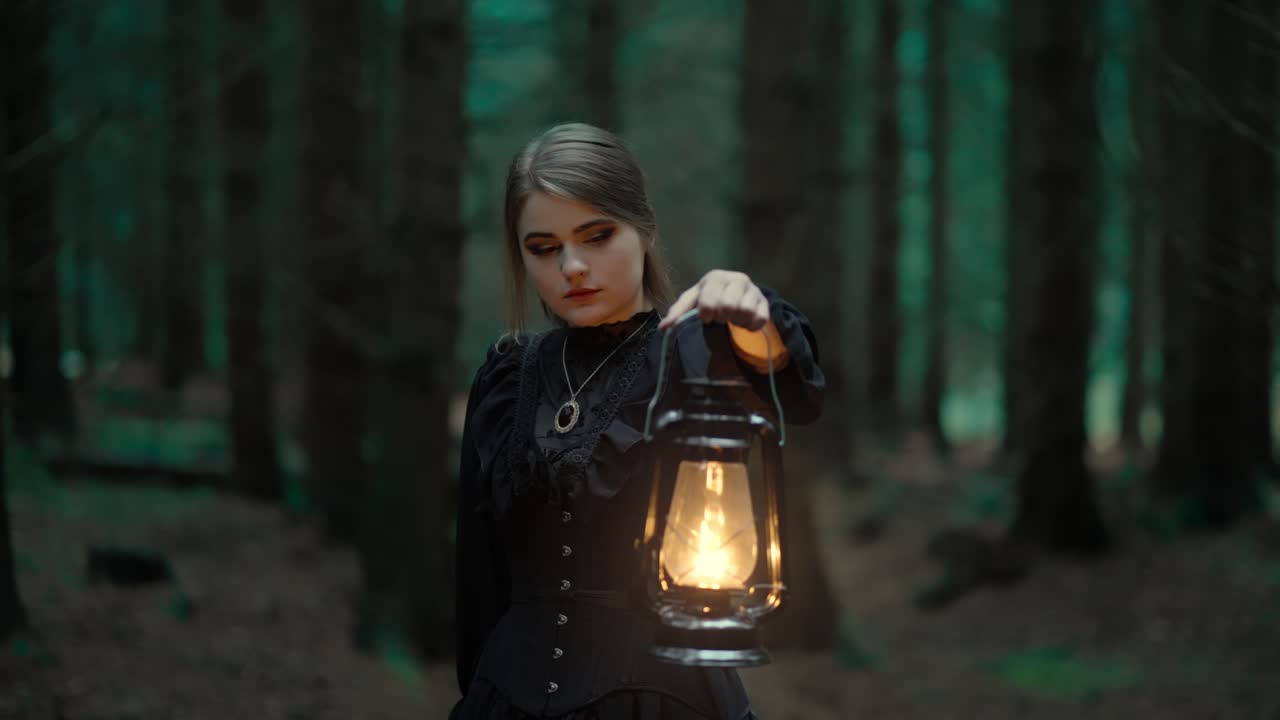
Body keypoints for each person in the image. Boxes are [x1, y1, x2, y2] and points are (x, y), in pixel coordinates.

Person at [452, 123, 824, 720]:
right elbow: (478, 578)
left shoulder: (702, 352)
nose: (572, 266)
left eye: (597, 236)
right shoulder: (504, 378)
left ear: (645, 229)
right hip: (505, 700)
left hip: (664, 701)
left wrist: (752, 311)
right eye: (543, 248)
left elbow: (796, 389)